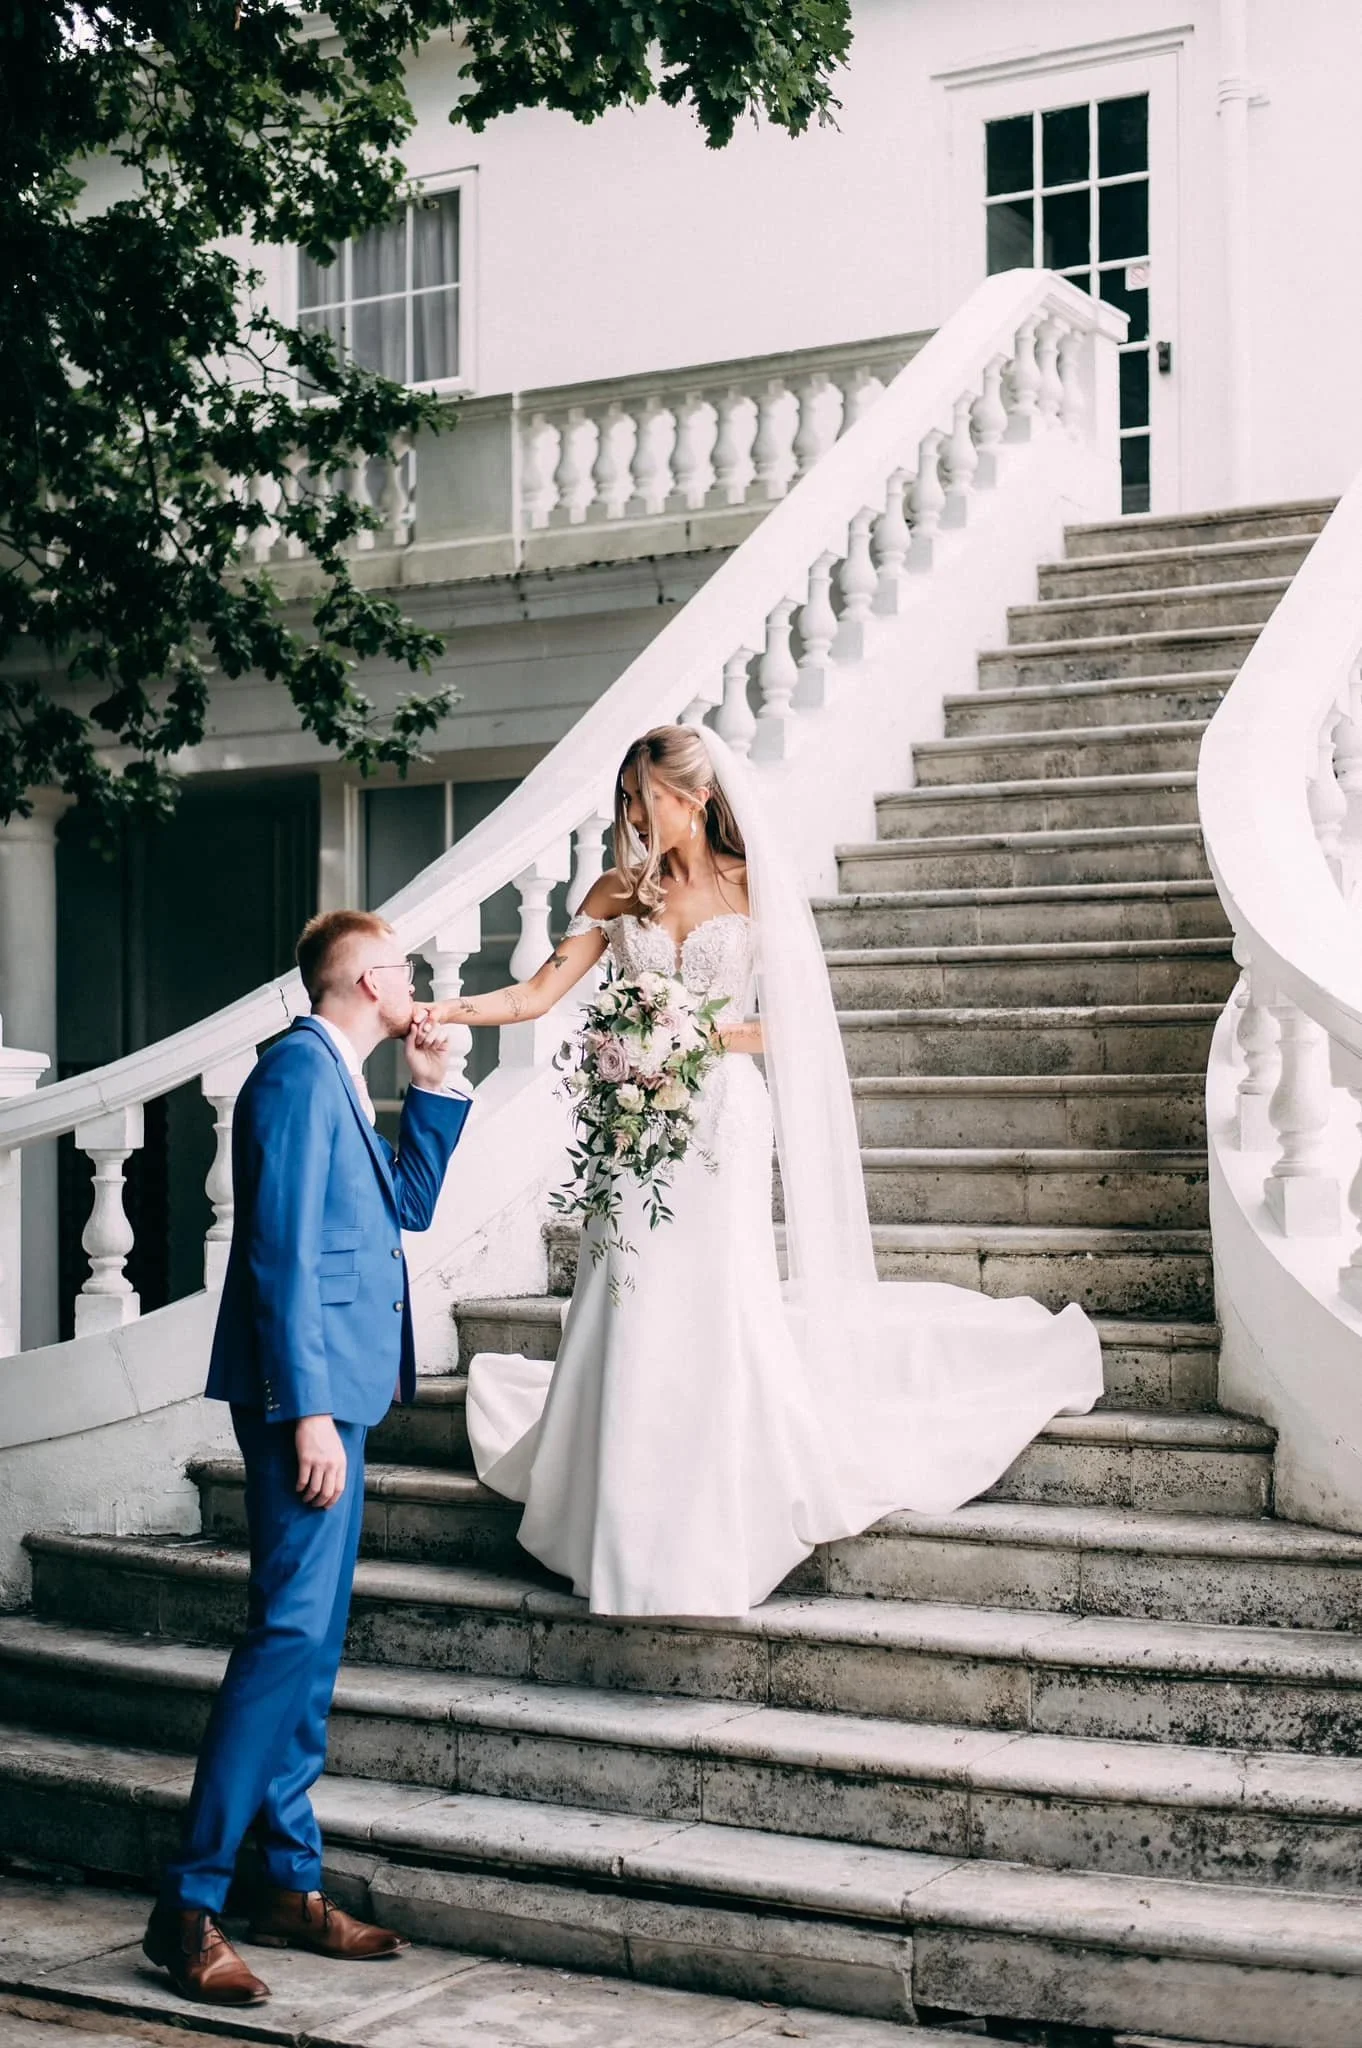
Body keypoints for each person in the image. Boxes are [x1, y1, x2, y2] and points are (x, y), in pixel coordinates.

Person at [428, 724, 1102, 1618]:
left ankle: (714, 1503)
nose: (631, 816)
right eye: (624, 800)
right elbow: (536, 994)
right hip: (635, 1127)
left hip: (720, 1119)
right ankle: (614, 1501)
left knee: (714, 1294)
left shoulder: (754, 889)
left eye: (644, 798)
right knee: (625, 1291)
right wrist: (440, 1009)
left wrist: (695, 1033)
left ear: (694, 796)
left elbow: (793, 1024)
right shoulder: (616, 893)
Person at [143, 910, 471, 2007]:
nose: (418, 981)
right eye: (408, 970)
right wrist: (306, 1413)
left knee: (311, 1643)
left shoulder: (341, 1074)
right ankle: (184, 1906)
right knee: (285, 1634)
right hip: (308, 1401)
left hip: (338, 1393)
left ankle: (286, 1883)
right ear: (371, 979)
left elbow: (404, 1205)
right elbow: (274, 1252)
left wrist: (434, 1084)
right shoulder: (292, 1071)